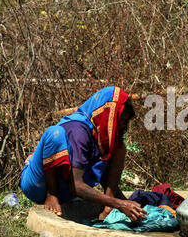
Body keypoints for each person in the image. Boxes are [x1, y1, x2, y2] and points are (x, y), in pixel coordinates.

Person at [20, 86, 147, 221]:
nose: (122, 125)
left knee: (119, 147)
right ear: (107, 113)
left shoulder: (101, 137)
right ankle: (52, 194)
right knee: (54, 133)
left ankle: (107, 209)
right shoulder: (78, 130)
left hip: (66, 190)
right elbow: (77, 187)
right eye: (120, 120)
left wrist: (118, 204)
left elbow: (104, 175)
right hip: (38, 184)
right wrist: (121, 204)